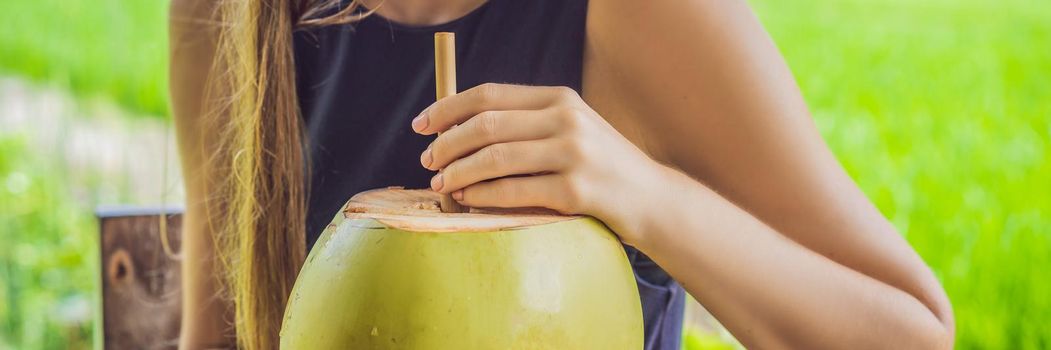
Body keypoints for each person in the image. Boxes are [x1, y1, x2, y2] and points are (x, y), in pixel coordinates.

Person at [169, 0, 955, 349]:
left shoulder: (643, 14)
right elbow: (217, 336)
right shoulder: (231, 14)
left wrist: (644, 193)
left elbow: (911, 333)